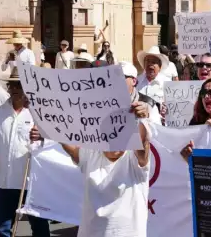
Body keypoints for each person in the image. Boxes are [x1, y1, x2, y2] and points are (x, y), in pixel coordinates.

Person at [36, 96, 152, 237]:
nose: (115, 141)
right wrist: (43, 112)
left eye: (120, 136)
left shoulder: (133, 161)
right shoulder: (91, 155)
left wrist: (142, 119)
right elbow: (65, 141)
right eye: (110, 136)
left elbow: (143, 143)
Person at [0, 68, 50, 237]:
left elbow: (56, 144)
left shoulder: (40, 114)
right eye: (13, 85)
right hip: (4, 182)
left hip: (31, 183)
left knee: (40, 229)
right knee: (1, 229)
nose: (16, 89)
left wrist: (43, 137)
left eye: (20, 85)